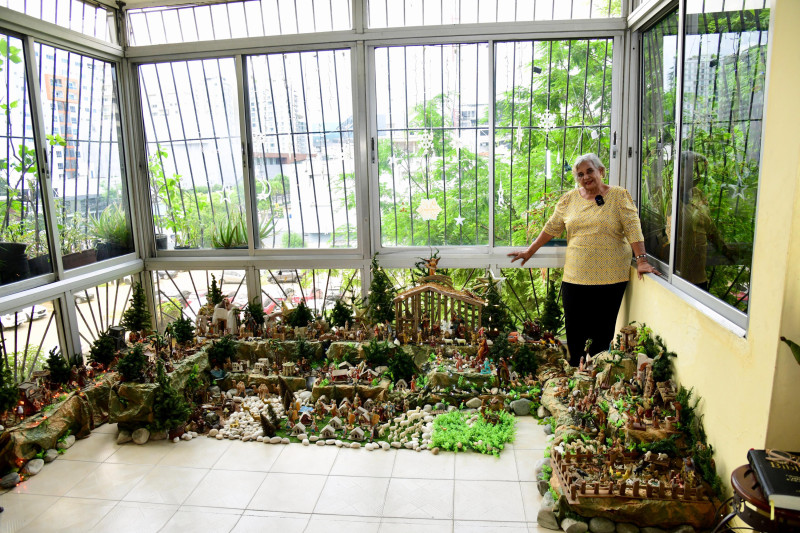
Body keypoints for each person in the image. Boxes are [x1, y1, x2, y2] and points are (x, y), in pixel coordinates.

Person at [508, 153, 658, 366]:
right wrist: (529, 251)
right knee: (575, 335)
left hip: (611, 277)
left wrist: (641, 259)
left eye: (589, 171)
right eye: (580, 174)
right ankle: (574, 375)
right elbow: (552, 227)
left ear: (601, 171)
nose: (585, 177)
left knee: (602, 335)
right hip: (575, 277)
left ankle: (594, 377)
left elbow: (633, 228)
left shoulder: (618, 196)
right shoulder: (569, 199)